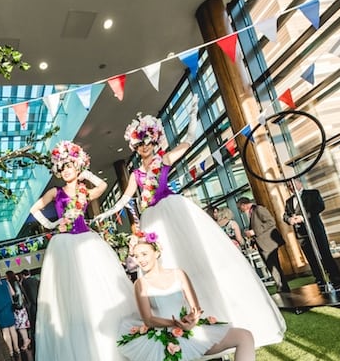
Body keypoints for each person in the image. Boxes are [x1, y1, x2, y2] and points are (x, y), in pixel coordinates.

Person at [96, 109, 285, 347]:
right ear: (135, 146)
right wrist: (109, 212)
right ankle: (180, 327)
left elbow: (187, 142)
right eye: (140, 143)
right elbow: (125, 198)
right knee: (166, 268)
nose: (144, 147)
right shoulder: (135, 174)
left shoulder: (163, 160)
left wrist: (194, 116)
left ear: (154, 142)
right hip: (152, 219)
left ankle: (217, 322)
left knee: (197, 262)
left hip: (174, 212)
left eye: (148, 142)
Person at [29, 140, 163, 361]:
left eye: (69, 166)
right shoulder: (55, 191)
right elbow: (34, 208)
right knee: (73, 303)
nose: (66, 171)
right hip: (64, 246)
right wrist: (53, 225)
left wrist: (81, 168)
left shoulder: (85, 188)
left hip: (87, 242)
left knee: (102, 298)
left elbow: (101, 187)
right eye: (62, 167)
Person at [118, 233, 281, 361]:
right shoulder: (140, 284)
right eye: (137, 257)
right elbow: (149, 319)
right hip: (166, 339)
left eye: (144, 254)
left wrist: (192, 320)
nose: (140, 260)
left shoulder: (178, 274)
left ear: (156, 251)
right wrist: (174, 324)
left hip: (190, 331)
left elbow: (196, 308)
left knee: (244, 336)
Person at [283, 180, 340, 290]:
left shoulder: (313, 193)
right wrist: (289, 219)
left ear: (299, 183)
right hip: (301, 234)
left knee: (325, 253)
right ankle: (319, 279)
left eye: (292, 184)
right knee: (311, 257)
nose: (291, 187)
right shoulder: (289, 201)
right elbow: (285, 215)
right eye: (289, 186)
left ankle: (335, 277)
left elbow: (319, 207)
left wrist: (303, 217)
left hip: (315, 230)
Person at [237, 197, 291, 293]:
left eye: (239, 207)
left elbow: (271, 222)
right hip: (263, 244)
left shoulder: (259, 209)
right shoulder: (251, 213)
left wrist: (254, 232)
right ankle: (282, 286)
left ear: (243, 205)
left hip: (269, 243)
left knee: (273, 265)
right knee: (272, 266)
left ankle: (282, 287)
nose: (240, 210)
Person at [6, 270, 34, 361]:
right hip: (21, 307)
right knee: (21, 325)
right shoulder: (17, 283)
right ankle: (26, 340)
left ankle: (26, 340)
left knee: (21, 325)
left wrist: (17, 305)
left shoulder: (14, 284)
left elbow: (17, 295)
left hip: (19, 308)